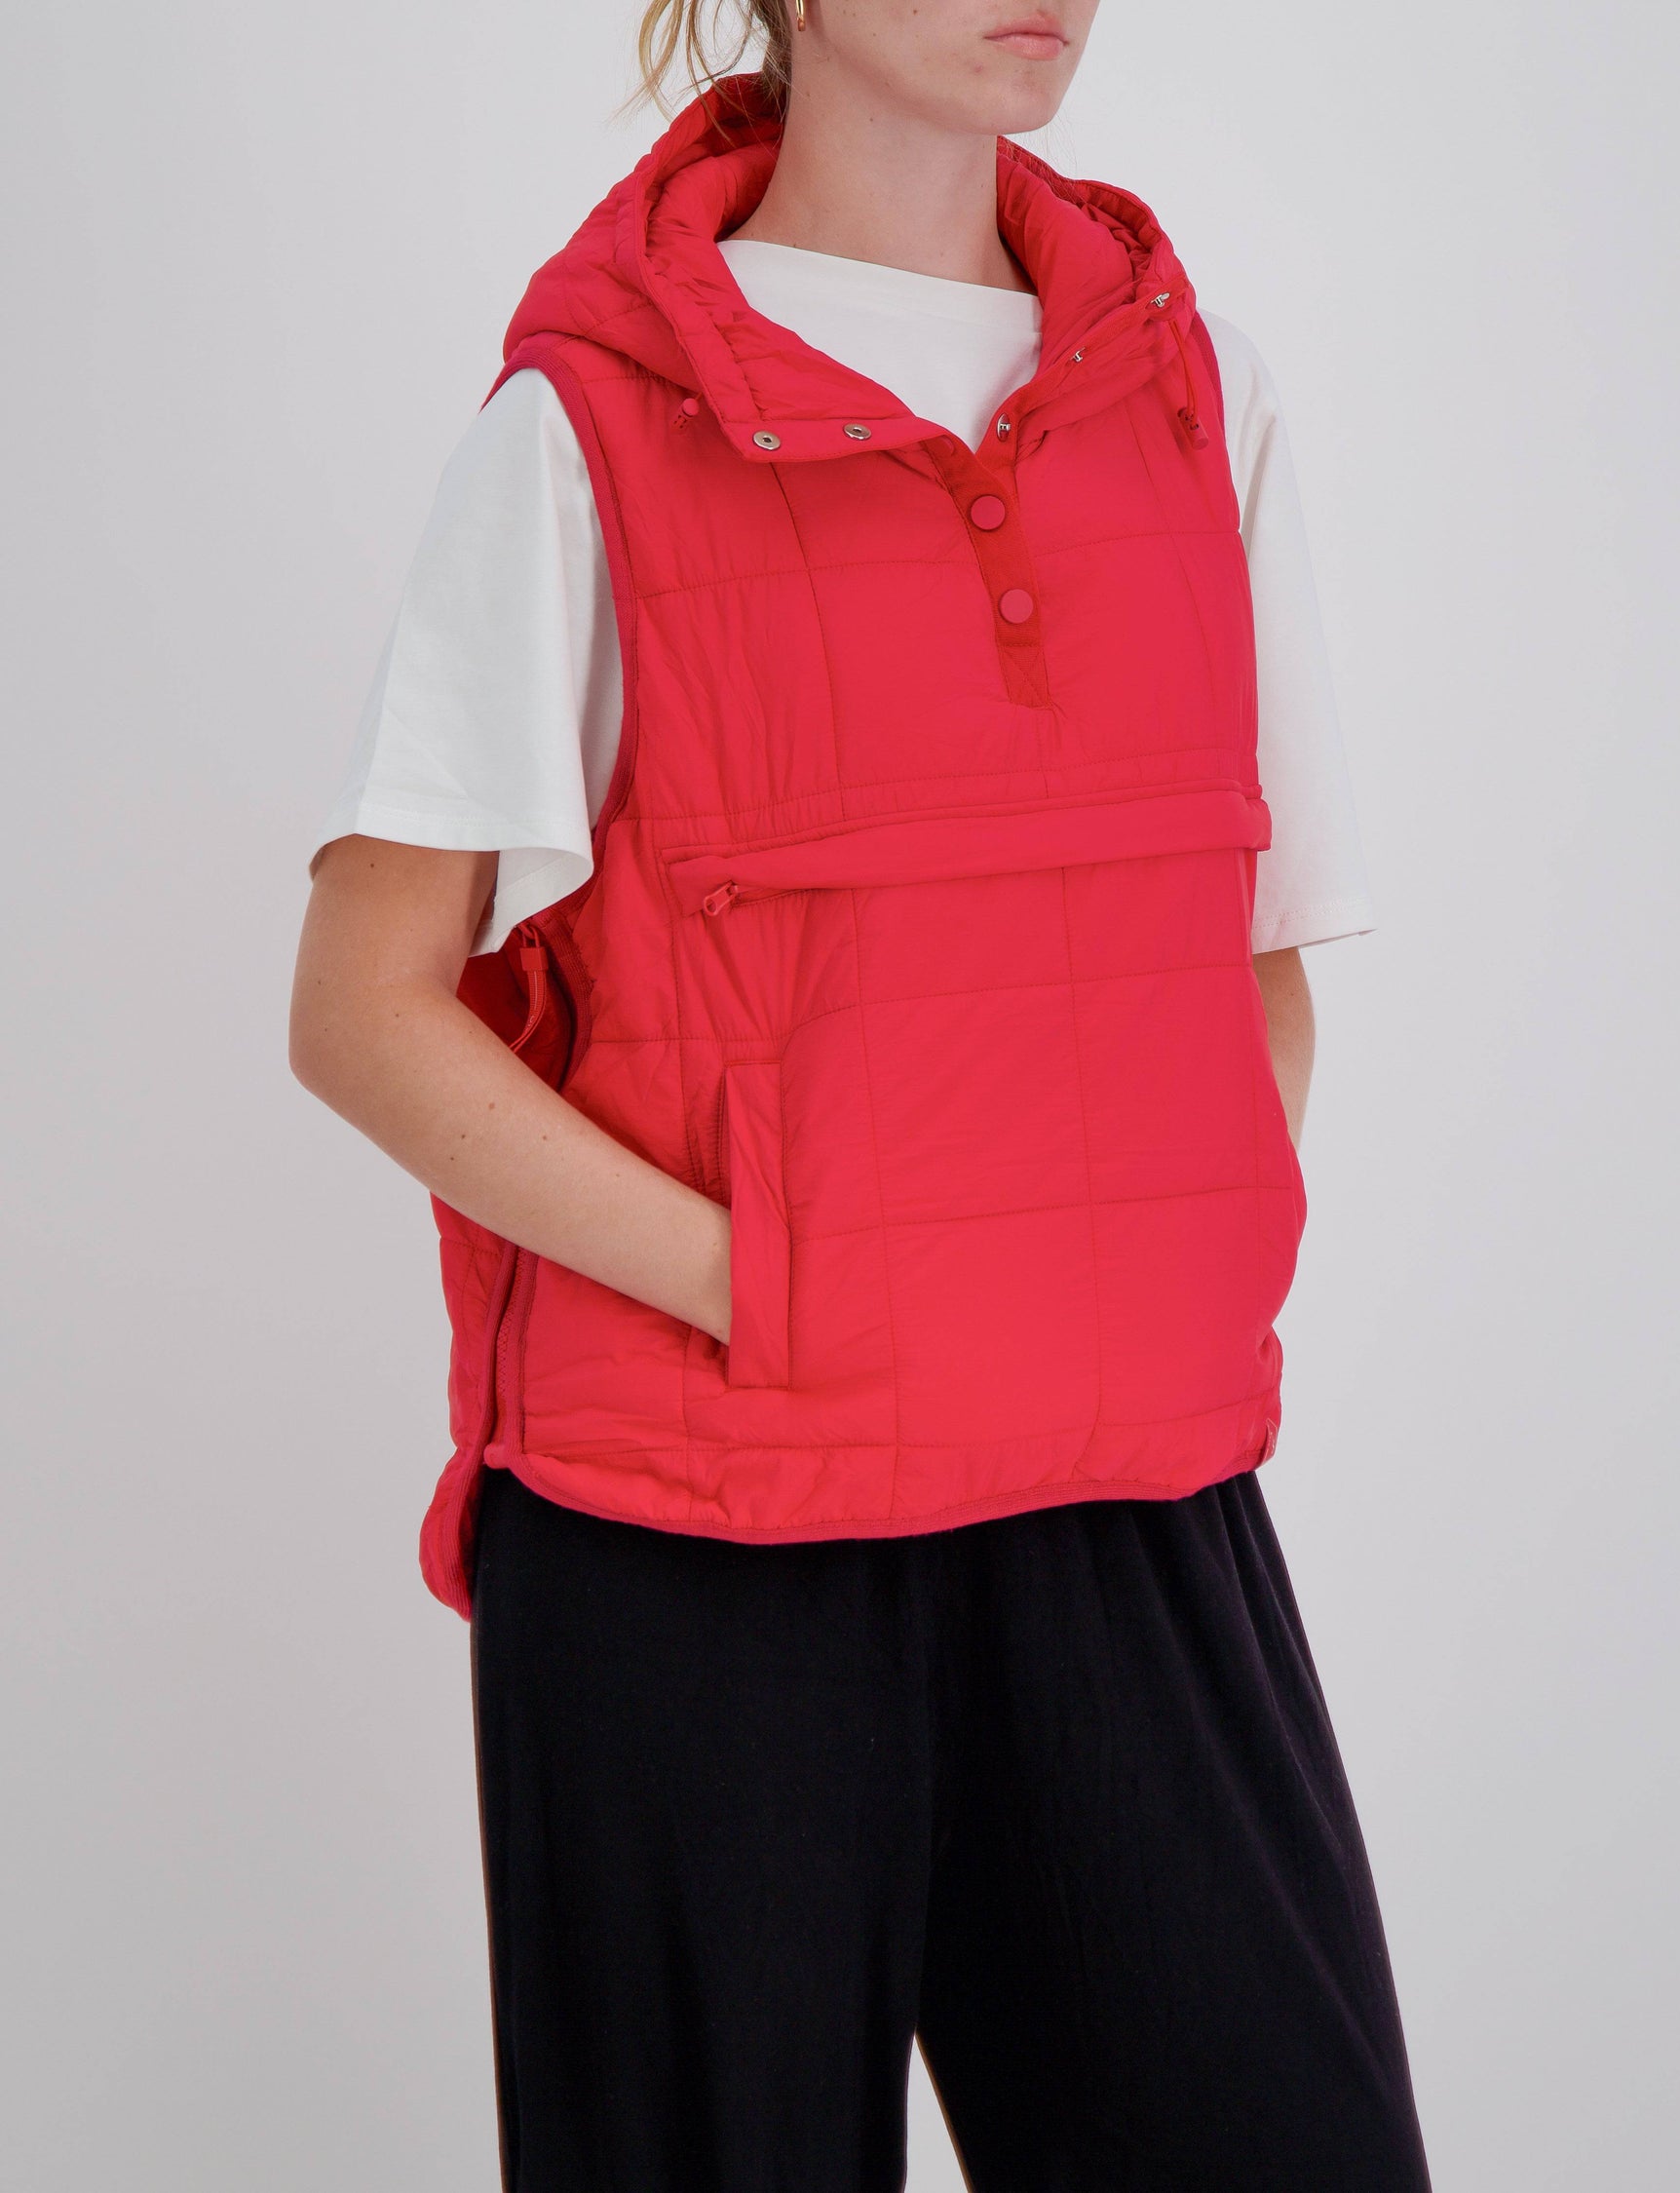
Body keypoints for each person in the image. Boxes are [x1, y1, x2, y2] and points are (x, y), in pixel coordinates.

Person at [290, 3, 1431, 2185]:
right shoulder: (587, 421)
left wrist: (1148, 1280)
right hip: (699, 1535)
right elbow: (363, 1004)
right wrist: (788, 1289)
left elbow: (1257, 946)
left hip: (1124, 1498)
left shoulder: (1196, 395)